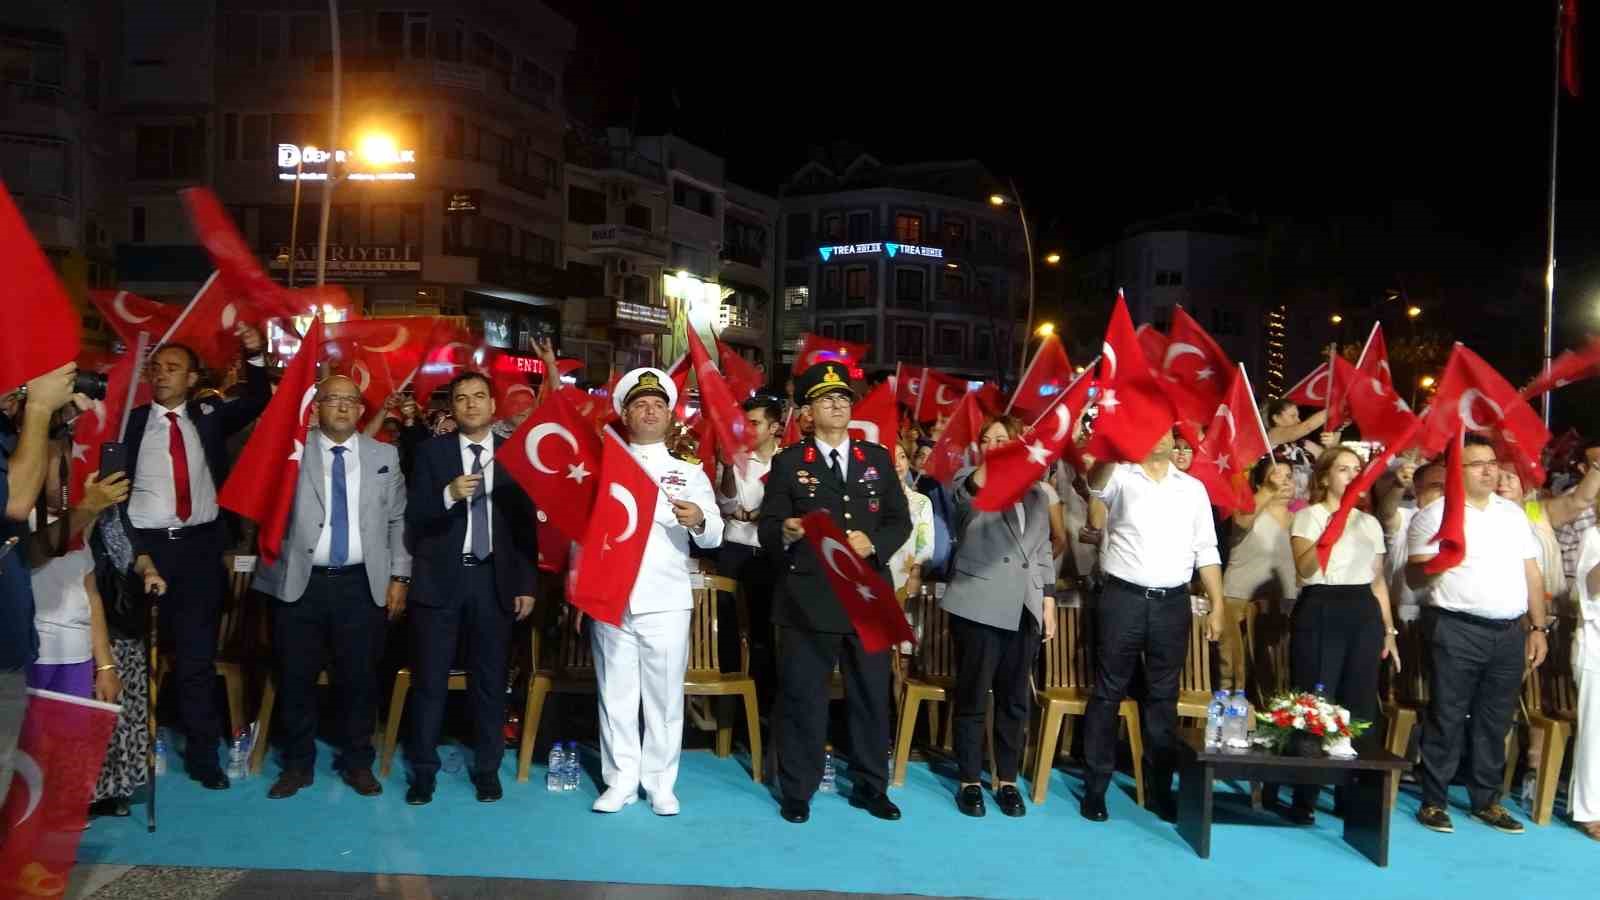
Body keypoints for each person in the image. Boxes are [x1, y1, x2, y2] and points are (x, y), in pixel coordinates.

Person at [759, 362, 911, 825]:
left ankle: (871, 787)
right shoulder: (789, 462)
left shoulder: (876, 459)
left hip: (866, 595)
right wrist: (786, 530)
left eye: (843, 397)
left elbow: (899, 521)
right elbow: (767, 527)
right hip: (810, 596)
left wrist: (875, 544)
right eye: (826, 399)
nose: (837, 404)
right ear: (807, 412)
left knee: (871, 695)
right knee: (804, 697)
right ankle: (797, 789)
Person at [121, 329, 267, 789]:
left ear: (192, 379)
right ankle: (131, 754)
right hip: (145, 550)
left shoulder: (208, 415)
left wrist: (254, 353)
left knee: (196, 659)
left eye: (172, 368)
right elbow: (113, 496)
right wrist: (136, 552)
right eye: (156, 368)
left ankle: (204, 757)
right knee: (134, 656)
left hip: (200, 549)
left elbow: (258, 399)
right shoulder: (129, 423)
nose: (161, 375)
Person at [254, 375, 411, 800]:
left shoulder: (384, 455)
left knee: (360, 680)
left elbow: (398, 519)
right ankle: (297, 765)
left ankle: (357, 763)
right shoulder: (291, 451)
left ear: (361, 410)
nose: (342, 407)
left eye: (350, 400)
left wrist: (400, 576)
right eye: (332, 399)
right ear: (316, 407)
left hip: (362, 584)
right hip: (299, 583)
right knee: (295, 678)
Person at [588, 367, 723, 816]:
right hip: (611, 593)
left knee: (664, 698)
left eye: (658, 405)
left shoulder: (688, 472)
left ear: (670, 416)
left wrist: (698, 520)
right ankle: (620, 781)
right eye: (640, 405)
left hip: (664, 597)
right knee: (616, 695)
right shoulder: (603, 466)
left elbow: (715, 533)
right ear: (625, 415)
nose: (650, 411)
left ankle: (661, 783)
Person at [404, 371, 538, 806]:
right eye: (461, 398)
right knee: (430, 682)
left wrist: (525, 583)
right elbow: (412, 516)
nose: (471, 404)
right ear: (453, 407)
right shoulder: (430, 452)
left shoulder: (513, 456)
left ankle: (487, 771)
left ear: (493, 405)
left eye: (479, 396)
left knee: (490, 682)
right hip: (440, 580)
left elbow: (524, 528)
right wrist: (447, 494)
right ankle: (423, 772)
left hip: (493, 580)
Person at [1407, 435, 1549, 835]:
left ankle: (1486, 800)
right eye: (1477, 464)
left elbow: (1531, 572)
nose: (1490, 470)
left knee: (1495, 720)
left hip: (1509, 631)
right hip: (1457, 627)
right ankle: (1434, 800)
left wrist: (1538, 627)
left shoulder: (1512, 514)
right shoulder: (1436, 515)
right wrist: (1441, 560)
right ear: (1457, 470)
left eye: (1492, 462)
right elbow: (1413, 576)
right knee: (1447, 716)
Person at [1081, 429, 1224, 823]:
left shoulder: (1192, 489)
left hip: (1173, 603)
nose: (1160, 436)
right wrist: (1111, 447)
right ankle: (1096, 789)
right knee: (1108, 692)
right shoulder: (1120, 475)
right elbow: (1095, 486)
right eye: (1151, 428)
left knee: (1163, 698)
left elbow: (1206, 549)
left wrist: (1218, 604)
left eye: (1166, 431)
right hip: (1122, 598)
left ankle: (1160, 790)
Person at [941, 415, 1056, 818]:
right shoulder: (969, 480)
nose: (994, 445)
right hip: (979, 604)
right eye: (987, 440)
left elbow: (1043, 550)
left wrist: (1048, 599)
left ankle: (1007, 780)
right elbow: (967, 500)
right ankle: (969, 780)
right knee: (974, 696)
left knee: (1014, 699)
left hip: (1024, 606)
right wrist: (995, 461)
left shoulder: (1038, 493)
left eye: (1002, 439)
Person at [1283, 445, 1399, 824]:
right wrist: (1332, 529)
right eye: (1343, 469)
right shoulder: (1309, 516)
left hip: (1362, 609)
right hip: (1321, 606)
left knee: (1360, 701)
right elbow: (1304, 569)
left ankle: (1354, 795)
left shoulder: (1370, 523)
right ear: (1324, 477)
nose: (1352, 476)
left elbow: (1377, 581)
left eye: (1357, 469)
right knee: (1317, 699)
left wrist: (1389, 629)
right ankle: (1305, 794)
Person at [0, 362, 78, 829]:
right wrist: (39, 409)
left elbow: (48, 496)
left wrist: (49, 424)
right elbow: (15, 501)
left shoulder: (8, 431)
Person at [716, 395, 782, 688]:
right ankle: (731, 693)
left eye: (755, 423)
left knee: (767, 629)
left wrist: (761, 514)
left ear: (774, 427)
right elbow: (727, 504)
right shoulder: (736, 458)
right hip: (736, 551)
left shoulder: (788, 460)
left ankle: (764, 697)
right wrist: (729, 469)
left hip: (771, 553)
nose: (747, 429)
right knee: (729, 625)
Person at [1218, 458, 1297, 694]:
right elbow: (1242, 522)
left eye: (1289, 476)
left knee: (1276, 676)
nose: (1284, 481)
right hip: (1239, 602)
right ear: (1260, 482)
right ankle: (1229, 714)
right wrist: (1268, 491)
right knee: (1235, 673)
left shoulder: (1302, 519)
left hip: (1282, 606)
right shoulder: (1247, 510)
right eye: (1276, 474)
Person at [1569, 524, 1600, 840]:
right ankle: (1590, 811)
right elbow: (1589, 587)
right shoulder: (1594, 536)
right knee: (1595, 734)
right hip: (1595, 647)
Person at [887, 439, 935, 601]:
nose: (898, 463)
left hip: (905, 578)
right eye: (891, 458)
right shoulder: (868, 500)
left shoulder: (921, 502)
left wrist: (915, 574)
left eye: (902, 457)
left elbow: (925, 546)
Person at [1263, 398, 1336, 502]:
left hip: (1307, 500)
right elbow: (1307, 426)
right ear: (1276, 418)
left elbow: (1329, 458)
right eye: (1293, 416)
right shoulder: (1272, 435)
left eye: (1298, 416)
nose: (1298, 420)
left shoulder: (1304, 443)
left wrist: (1330, 445)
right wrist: (1333, 409)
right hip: (1283, 500)